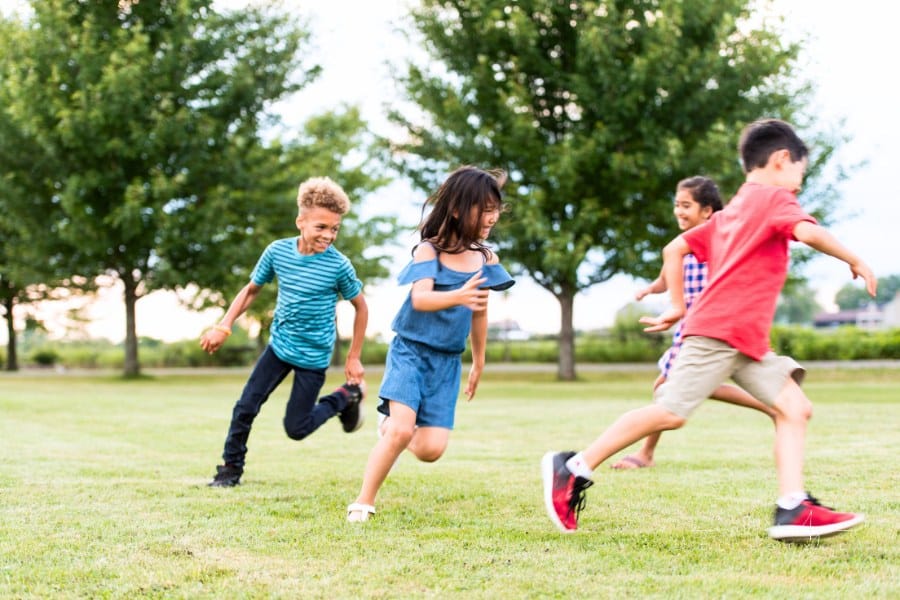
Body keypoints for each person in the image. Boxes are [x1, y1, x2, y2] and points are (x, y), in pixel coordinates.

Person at [542, 118, 877, 541]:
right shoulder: (774, 198)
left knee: (795, 408)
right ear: (781, 159)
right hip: (720, 331)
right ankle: (572, 468)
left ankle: (793, 507)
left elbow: (675, 248)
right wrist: (854, 258)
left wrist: (678, 305)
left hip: (745, 340)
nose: (799, 182)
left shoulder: (736, 208)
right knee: (670, 412)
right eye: (800, 172)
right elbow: (807, 232)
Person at [346, 165, 514, 522]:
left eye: (495, 209)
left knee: (430, 450)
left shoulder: (486, 259)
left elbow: (479, 313)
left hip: (447, 361)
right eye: (484, 209)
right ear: (456, 209)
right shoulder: (429, 251)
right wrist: (459, 295)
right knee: (403, 429)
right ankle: (363, 502)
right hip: (410, 351)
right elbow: (421, 299)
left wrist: (479, 361)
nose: (492, 217)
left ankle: (389, 428)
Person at [201, 176, 369, 487]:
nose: (329, 235)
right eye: (321, 227)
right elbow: (251, 290)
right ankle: (230, 470)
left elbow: (361, 307)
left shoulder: (339, 265)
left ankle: (347, 396)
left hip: (314, 355)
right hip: (279, 347)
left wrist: (353, 357)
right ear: (300, 222)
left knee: (297, 428)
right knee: (245, 407)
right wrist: (224, 325)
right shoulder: (277, 252)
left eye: (335, 229)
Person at [610, 176, 776, 470]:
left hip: (707, 329)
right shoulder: (681, 247)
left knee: (667, 387)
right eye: (677, 205)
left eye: (686, 205)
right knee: (673, 386)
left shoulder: (719, 243)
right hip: (689, 329)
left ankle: (645, 454)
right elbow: (664, 280)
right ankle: (770, 406)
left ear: (707, 211)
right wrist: (649, 289)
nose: (679, 211)